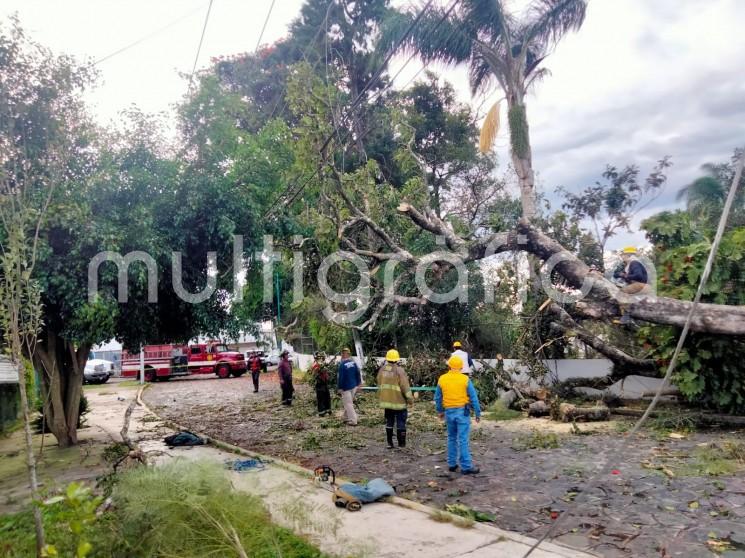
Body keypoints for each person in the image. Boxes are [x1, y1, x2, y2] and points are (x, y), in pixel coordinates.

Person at [435, 355, 481, 474]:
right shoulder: (465, 379)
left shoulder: (442, 379)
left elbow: (438, 397)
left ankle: (452, 464)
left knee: (451, 438)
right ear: (461, 367)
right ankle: (466, 466)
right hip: (462, 412)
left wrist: (440, 411)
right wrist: (477, 412)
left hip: (449, 412)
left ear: (449, 366)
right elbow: (474, 397)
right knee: (463, 439)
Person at [377, 349, 413, 449]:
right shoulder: (399, 371)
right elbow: (405, 387)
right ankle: (401, 444)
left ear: (387, 359)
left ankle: (389, 443)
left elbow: (379, 383)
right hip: (399, 402)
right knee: (401, 422)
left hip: (386, 402)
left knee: (389, 421)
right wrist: (410, 400)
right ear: (397, 359)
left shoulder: (382, 370)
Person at [615, 246, 650, 325]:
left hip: (642, 285)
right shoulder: (631, 264)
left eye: (623, 255)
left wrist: (625, 276)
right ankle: (630, 318)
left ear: (628, 255)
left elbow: (638, 276)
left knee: (622, 292)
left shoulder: (634, 263)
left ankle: (626, 316)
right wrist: (620, 275)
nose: (622, 256)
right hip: (641, 285)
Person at [337, 347, 362, 425]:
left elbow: (341, 377)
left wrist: (340, 387)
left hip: (346, 387)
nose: (342, 355)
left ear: (344, 354)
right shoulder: (353, 363)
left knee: (348, 404)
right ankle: (345, 417)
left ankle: (353, 420)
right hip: (353, 386)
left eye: (343, 353)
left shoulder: (342, 365)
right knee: (349, 402)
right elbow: (358, 373)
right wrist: (359, 383)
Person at [310, 351, 332, 416]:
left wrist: (327, 375)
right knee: (321, 398)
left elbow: (326, 373)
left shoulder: (323, 364)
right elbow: (314, 374)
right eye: (320, 357)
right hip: (319, 383)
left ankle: (328, 410)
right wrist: (319, 370)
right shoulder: (315, 365)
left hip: (324, 382)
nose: (321, 359)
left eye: (322, 357)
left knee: (327, 396)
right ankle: (321, 412)